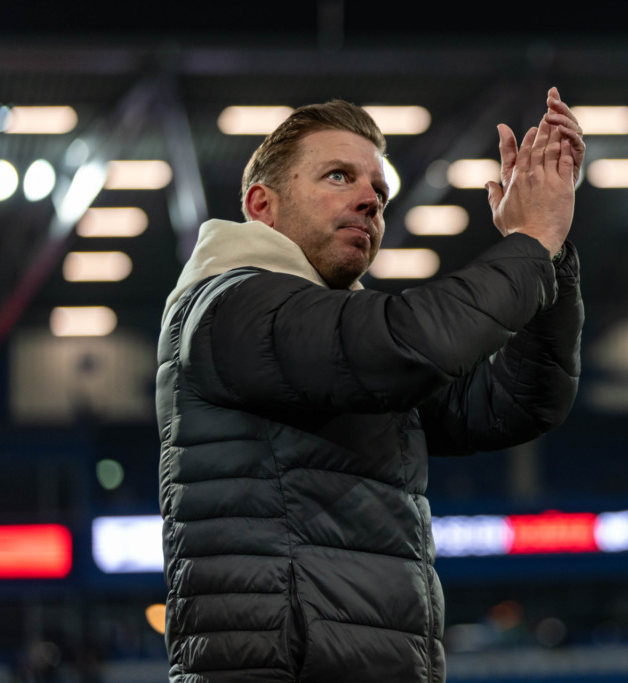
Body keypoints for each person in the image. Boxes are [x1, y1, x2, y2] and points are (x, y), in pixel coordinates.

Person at [155, 88, 585, 683]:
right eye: (339, 176)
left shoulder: (340, 335)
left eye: (379, 192)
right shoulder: (231, 307)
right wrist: (529, 244)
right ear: (262, 206)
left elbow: (515, 403)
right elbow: (408, 344)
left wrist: (552, 253)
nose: (369, 201)